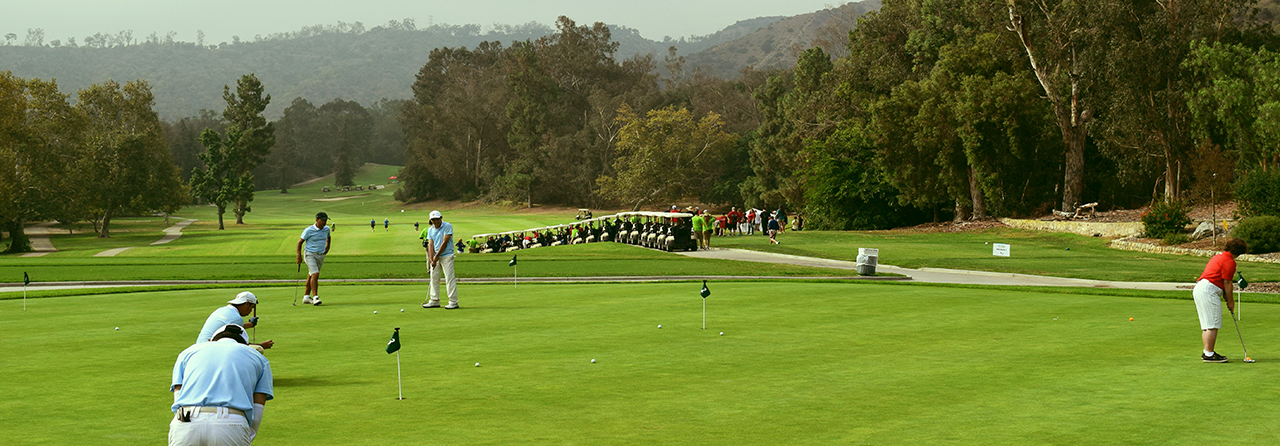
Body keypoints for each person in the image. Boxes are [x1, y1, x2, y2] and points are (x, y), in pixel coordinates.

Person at [170, 324, 274, 446]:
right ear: (246, 344)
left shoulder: (188, 352)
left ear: (211, 340)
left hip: (185, 421)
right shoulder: (258, 357)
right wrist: (249, 433)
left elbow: (178, 391)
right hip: (231, 422)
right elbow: (258, 406)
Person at [1194, 238, 1247, 363]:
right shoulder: (1229, 261)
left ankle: (1207, 352)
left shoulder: (1218, 257)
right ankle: (1209, 354)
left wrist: (1225, 297)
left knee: (1207, 324)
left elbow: (1222, 281)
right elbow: (1227, 283)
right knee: (1212, 324)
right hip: (1209, 290)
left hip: (1201, 288)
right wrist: (1230, 302)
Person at [196, 292, 274, 352]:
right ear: (246, 304)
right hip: (211, 350)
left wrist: (250, 324)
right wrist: (261, 346)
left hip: (198, 347)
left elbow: (229, 327)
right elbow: (240, 344)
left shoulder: (222, 310)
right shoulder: (236, 318)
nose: (251, 311)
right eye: (252, 307)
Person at [420, 210, 458, 309]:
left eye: (437, 219)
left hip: (447, 256)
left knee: (449, 279)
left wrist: (436, 257)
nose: (435, 221)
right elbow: (430, 244)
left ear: (441, 218)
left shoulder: (447, 226)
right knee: (434, 278)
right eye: (433, 220)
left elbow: (445, 242)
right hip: (436, 256)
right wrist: (431, 258)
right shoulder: (430, 230)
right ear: (430, 220)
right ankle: (434, 300)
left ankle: (453, 302)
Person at [296, 212, 332, 306]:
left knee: (311, 275)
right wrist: (298, 256)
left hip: (320, 255)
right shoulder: (309, 230)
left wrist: (327, 248)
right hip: (309, 254)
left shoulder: (326, 229)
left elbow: (328, 237)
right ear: (317, 220)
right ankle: (315, 297)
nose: (324, 222)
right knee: (315, 274)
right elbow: (299, 243)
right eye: (323, 220)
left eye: (325, 220)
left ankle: (306, 297)